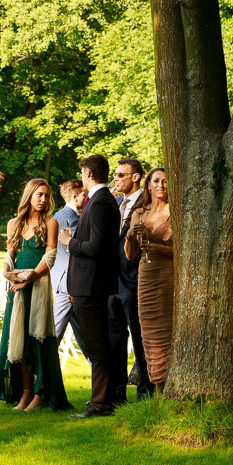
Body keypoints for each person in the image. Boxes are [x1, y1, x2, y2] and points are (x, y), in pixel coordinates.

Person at [0, 178, 71, 410]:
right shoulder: (14, 223)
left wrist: (29, 278)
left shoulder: (51, 223)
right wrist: (8, 273)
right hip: (16, 288)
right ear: (29, 196)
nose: (43, 199)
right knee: (18, 339)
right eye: (39, 194)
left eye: (46, 195)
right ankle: (25, 392)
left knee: (38, 339)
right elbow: (10, 254)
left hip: (38, 285)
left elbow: (50, 257)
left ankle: (41, 393)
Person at [65, 155, 122, 417]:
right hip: (87, 286)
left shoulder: (100, 202)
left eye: (82, 173)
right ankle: (100, 399)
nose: (81, 177)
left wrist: (69, 242)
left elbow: (96, 247)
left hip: (92, 286)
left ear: (88, 172)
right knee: (95, 344)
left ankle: (102, 402)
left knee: (97, 346)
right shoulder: (99, 200)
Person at [130, 169, 176, 394]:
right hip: (146, 276)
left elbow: (183, 251)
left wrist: (156, 246)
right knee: (148, 334)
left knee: (166, 331)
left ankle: (170, 388)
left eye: (165, 181)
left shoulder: (175, 212)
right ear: (148, 184)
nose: (161, 185)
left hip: (168, 276)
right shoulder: (138, 213)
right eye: (156, 181)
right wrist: (130, 236)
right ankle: (157, 388)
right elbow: (130, 254)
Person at [109, 158, 150, 404]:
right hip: (112, 281)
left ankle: (145, 394)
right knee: (114, 340)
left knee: (140, 339)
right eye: (115, 174)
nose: (116, 178)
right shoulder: (114, 204)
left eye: (120, 175)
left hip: (135, 280)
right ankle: (116, 395)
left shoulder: (147, 203)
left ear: (135, 177)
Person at [51, 179, 84, 341]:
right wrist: (74, 286)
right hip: (68, 283)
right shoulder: (70, 219)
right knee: (54, 332)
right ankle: (41, 358)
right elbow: (73, 251)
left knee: (84, 333)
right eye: (84, 194)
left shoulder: (59, 215)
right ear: (75, 197)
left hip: (63, 279)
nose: (86, 197)